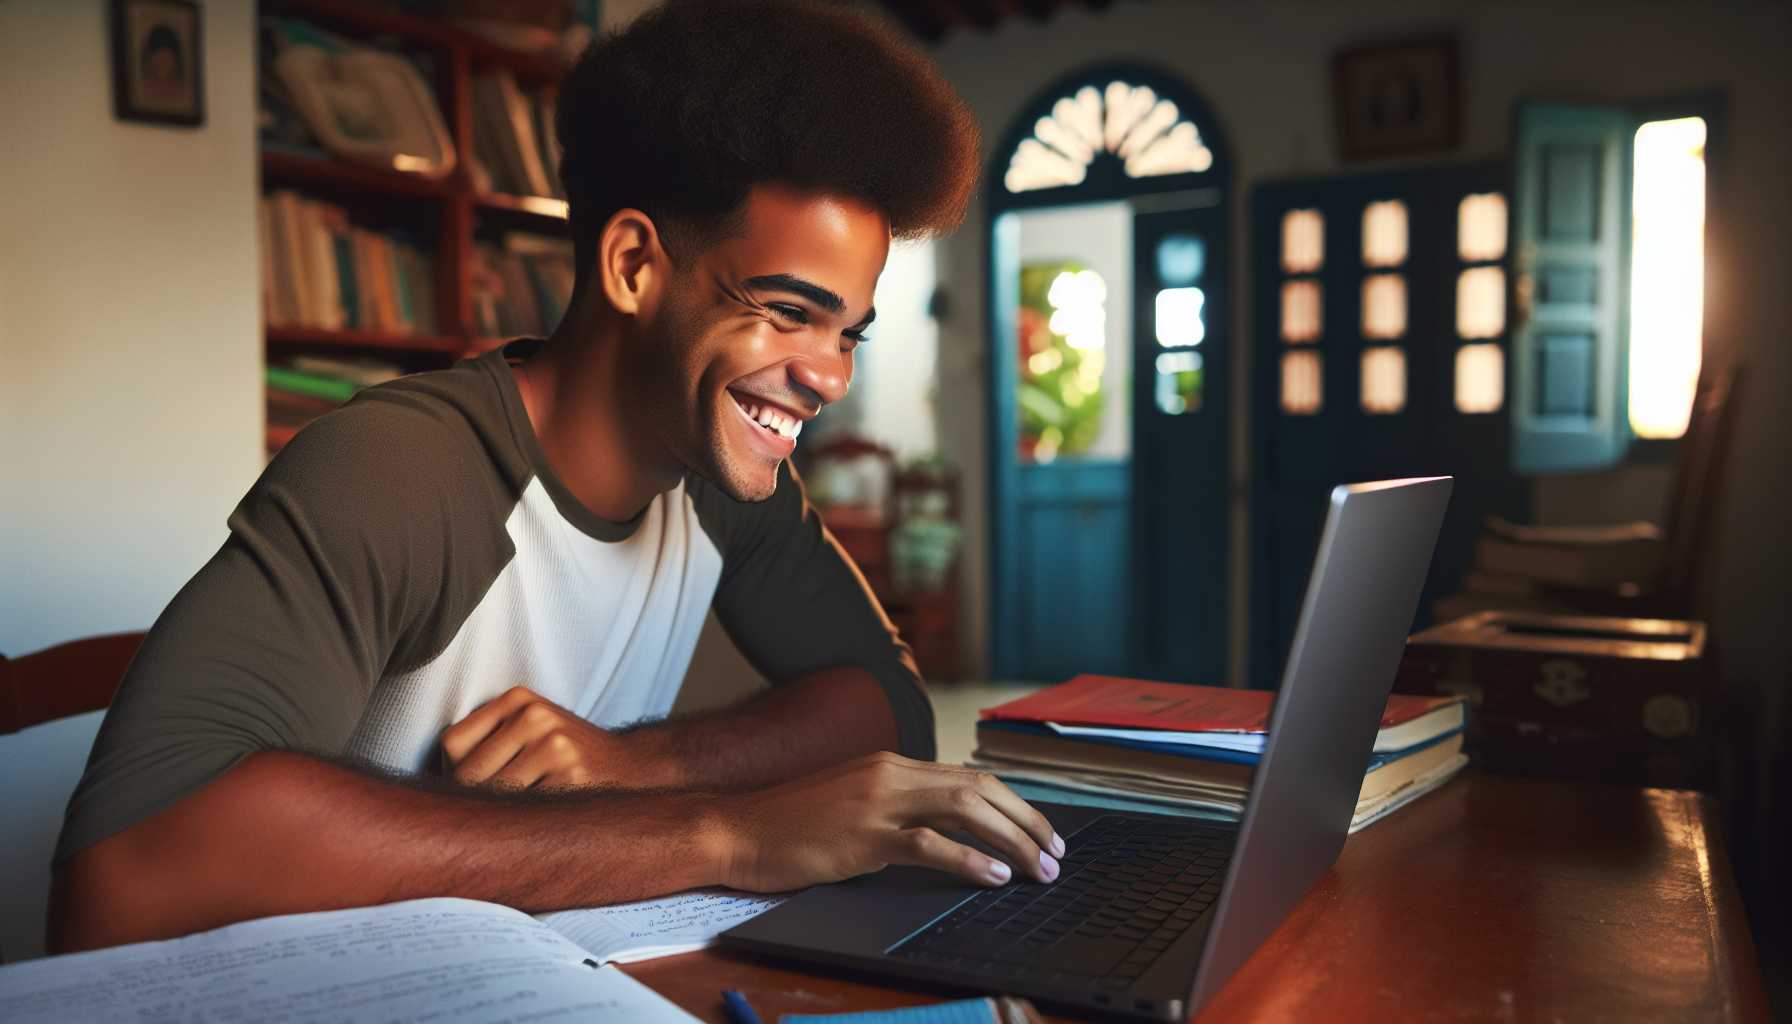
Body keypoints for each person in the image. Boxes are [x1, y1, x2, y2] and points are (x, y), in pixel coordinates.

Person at [50, 0, 1063, 952]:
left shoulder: (722, 476)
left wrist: (637, 765)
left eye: (848, 332)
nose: (827, 375)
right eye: (787, 311)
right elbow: (124, 872)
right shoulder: (406, 471)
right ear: (631, 265)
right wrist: (722, 831)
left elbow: (886, 704)